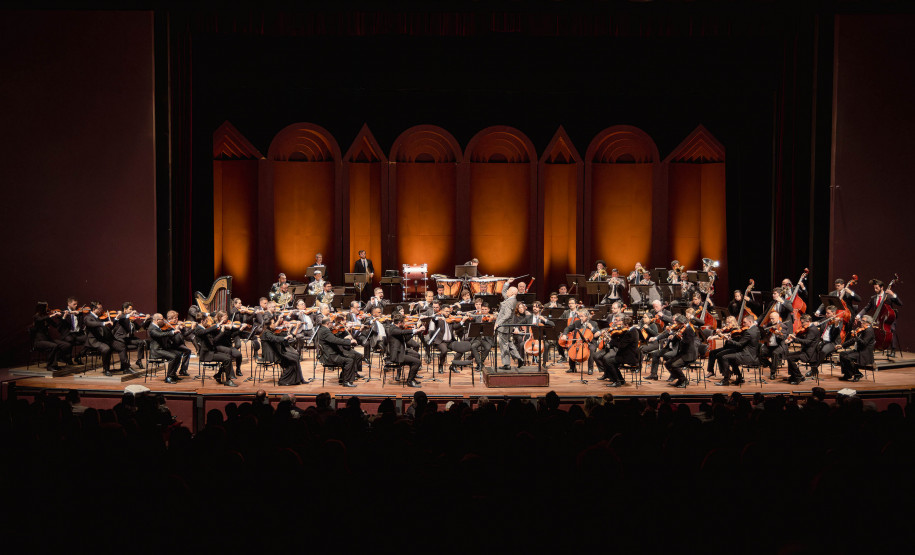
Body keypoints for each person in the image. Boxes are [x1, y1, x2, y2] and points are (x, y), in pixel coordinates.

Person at [85, 302, 131, 376]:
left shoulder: (99, 317)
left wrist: (116, 318)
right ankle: (106, 369)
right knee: (106, 349)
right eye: (100, 309)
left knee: (121, 345)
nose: (102, 310)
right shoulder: (88, 317)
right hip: (95, 341)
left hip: (104, 339)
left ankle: (126, 368)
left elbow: (111, 328)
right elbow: (91, 324)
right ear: (94, 309)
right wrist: (103, 323)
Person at [315, 316, 361, 387]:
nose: (332, 324)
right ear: (328, 323)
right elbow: (335, 340)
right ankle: (346, 382)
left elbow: (333, 338)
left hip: (330, 353)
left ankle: (343, 378)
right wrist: (349, 342)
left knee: (351, 356)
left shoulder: (323, 329)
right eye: (331, 322)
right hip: (330, 356)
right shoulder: (325, 331)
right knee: (350, 360)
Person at [716, 314, 761, 386]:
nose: (743, 324)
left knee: (724, 357)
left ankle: (725, 380)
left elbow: (740, 344)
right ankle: (740, 378)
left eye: (744, 322)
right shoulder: (756, 330)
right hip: (753, 355)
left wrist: (729, 340)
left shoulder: (749, 332)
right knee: (731, 358)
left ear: (750, 321)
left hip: (747, 356)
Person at [194, 313, 236, 386]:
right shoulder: (198, 329)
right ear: (202, 321)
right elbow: (205, 332)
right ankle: (228, 380)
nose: (207, 322)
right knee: (227, 359)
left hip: (211, 351)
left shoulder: (204, 329)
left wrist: (222, 332)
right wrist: (217, 325)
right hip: (206, 355)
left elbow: (213, 341)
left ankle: (218, 375)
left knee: (228, 357)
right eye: (206, 320)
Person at [595, 315, 638, 387]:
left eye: (623, 325)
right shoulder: (632, 330)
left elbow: (621, 345)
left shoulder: (631, 333)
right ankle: (620, 380)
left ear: (627, 325)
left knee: (608, 360)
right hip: (626, 354)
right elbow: (622, 342)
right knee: (607, 359)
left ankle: (616, 381)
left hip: (628, 356)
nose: (622, 326)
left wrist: (612, 341)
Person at [261, 318, 305, 386]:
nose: (275, 324)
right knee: (292, 361)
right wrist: (284, 338)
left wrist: (289, 330)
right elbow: (275, 338)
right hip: (272, 354)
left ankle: (298, 379)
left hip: (276, 352)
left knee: (295, 357)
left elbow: (280, 336)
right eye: (273, 323)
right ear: (269, 325)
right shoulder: (266, 333)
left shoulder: (270, 331)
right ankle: (283, 381)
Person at [387, 313, 425, 387]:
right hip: (397, 355)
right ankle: (410, 381)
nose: (405, 324)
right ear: (399, 323)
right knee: (417, 362)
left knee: (416, 355)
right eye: (403, 322)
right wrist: (415, 330)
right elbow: (402, 332)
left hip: (401, 351)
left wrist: (415, 332)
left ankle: (413, 378)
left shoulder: (397, 328)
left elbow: (405, 338)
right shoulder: (392, 329)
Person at [560, 308, 600, 375]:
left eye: (582, 316)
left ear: (586, 316)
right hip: (578, 341)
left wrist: (592, 328)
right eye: (579, 316)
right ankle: (572, 368)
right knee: (570, 347)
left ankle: (590, 369)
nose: (580, 318)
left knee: (592, 349)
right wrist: (564, 335)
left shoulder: (593, 323)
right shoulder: (577, 323)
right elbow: (568, 328)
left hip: (589, 342)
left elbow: (597, 334)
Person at [663, 315, 698, 388]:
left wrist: (680, 337)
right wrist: (672, 337)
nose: (677, 325)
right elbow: (674, 340)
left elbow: (687, 342)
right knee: (667, 364)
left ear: (682, 323)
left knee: (674, 365)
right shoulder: (681, 328)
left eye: (678, 323)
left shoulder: (689, 330)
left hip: (689, 354)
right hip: (682, 353)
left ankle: (684, 380)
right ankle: (680, 379)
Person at [837, 316, 876, 382]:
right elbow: (853, 340)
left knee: (847, 357)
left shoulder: (869, 331)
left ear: (868, 323)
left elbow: (864, 343)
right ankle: (848, 374)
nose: (861, 322)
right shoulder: (863, 329)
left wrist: (856, 336)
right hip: (859, 351)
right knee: (842, 354)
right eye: (861, 320)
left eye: (863, 321)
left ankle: (857, 373)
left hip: (865, 353)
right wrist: (842, 345)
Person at [31, 302, 68, 370]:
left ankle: (56, 362)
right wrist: (53, 315)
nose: (48, 309)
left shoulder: (47, 317)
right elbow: (40, 319)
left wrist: (63, 317)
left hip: (47, 339)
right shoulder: (36, 317)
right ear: (42, 308)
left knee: (65, 345)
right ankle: (50, 366)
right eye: (46, 307)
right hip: (39, 341)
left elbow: (56, 326)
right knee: (54, 346)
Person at [148, 313, 183, 383]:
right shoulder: (152, 328)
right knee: (173, 357)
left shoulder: (157, 327)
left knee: (179, 354)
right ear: (157, 320)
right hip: (156, 351)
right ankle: (169, 377)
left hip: (162, 349)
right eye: (162, 319)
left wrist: (174, 331)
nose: (164, 320)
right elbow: (160, 335)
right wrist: (172, 332)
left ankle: (173, 374)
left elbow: (164, 333)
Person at [784, 314, 819, 384]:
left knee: (791, 358)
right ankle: (793, 375)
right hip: (806, 351)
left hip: (809, 354)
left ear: (808, 321)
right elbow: (804, 339)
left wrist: (795, 339)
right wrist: (792, 340)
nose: (802, 324)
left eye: (802, 322)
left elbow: (807, 342)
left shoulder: (812, 330)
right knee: (788, 355)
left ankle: (798, 376)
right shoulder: (809, 328)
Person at [494, 281, 522, 370]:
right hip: (507, 327)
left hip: (504, 327)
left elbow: (507, 314)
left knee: (504, 345)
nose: (507, 292)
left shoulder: (510, 302)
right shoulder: (511, 299)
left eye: (508, 290)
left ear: (512, 293)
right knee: (509, 343)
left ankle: (507, 364)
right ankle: (519, 358)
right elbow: (503, 292)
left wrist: (499, 323)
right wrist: (507, 283)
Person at [114, 302, 149, 370]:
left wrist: (146, 320)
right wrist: (130, 315)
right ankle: (126, 367)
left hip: (128, 338)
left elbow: (140, 329)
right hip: (120, 339)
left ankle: (139, 361)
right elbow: (122, 318)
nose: (132, 311)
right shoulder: (121, 317)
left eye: (132, 309)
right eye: (130, 309)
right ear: (125, 309)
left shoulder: (131, 320)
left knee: (141, 342)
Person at [758, 311, 790, 380]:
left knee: (774, 353)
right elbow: (764, 334)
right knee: (760, 353)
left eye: (773, 319)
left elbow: (783, 338)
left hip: (779, 346)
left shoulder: (783, 326)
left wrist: (778, 334)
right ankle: (771, 365)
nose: (771, 320)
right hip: (770, 345)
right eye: (770, 318)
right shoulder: (769, 324)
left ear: (777, 318)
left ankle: (772, 373)